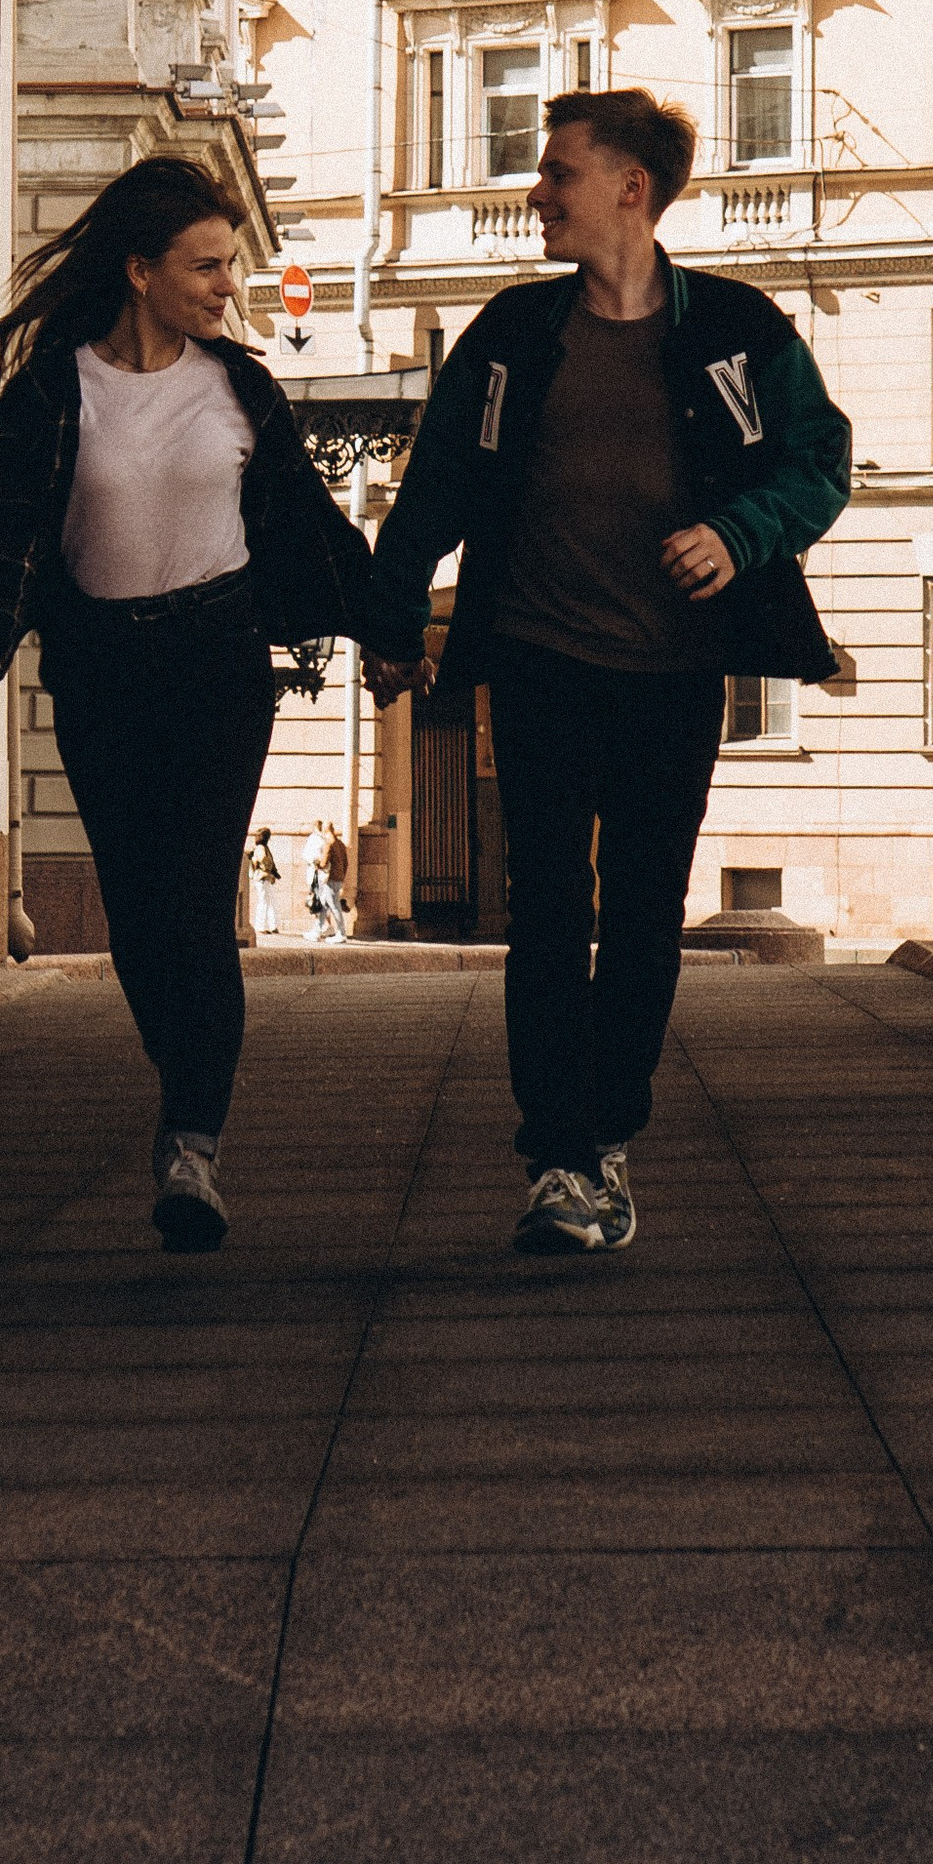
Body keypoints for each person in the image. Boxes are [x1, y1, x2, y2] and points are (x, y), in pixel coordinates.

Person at [364, 89, 850, 1256]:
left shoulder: (735, 330)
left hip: (674, 673)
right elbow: (435, 484)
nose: (536, 192)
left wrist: (737, 534)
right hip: (536, 659)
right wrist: (390, 614)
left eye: (557, 173)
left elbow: (820, 461)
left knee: (642, 912)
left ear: (630, 189)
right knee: (544, 907)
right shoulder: (510, 335)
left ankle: (607, 1134)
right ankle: (557, 1160)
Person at [0, 157, 373, 1252]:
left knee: (196, 901)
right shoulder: (54, 391)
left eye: (232, 266)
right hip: (102, 672)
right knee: (137, 918)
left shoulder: (240, 390)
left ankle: (191, 1144)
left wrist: (392, 632)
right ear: (140, 271)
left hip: (219, 664)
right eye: (206, 266)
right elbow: (1, 529)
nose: (228, 287)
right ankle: (189, 1074)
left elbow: (307, 530)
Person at [302, 817, 347, 942]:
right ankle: (317, 932)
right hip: (338, 878)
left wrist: (317, 863)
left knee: (334, 906)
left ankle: (341, 933)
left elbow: (323, 863)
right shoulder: (340, 844)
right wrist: (342, 876)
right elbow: (346, 863)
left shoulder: (329, 844)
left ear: (325, 830)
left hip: (330, 879)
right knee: (323, 905)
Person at [246, 825, 284, 940]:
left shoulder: (262, 847)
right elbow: (263, 861)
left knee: (270, 901)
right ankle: (260, 926)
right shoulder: (261, 848)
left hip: (265, 878)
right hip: (262, 878)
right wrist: (268, 872)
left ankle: (273, 925)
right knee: (263, 902)